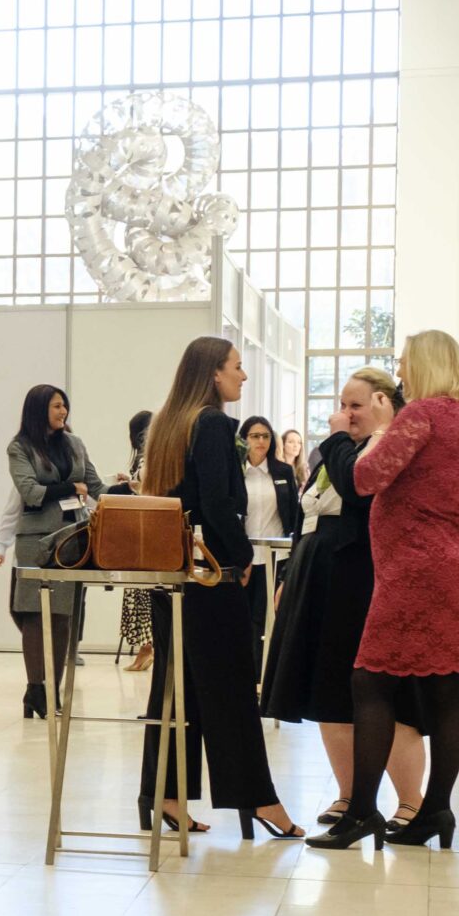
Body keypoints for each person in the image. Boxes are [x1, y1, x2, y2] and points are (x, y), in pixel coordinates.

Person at [311, 329, 459, 851]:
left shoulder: (420, 415)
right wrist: (455, 497)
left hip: (415, 566)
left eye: (404, 362)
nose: (400, 371)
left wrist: (340, 439)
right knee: (445, 687)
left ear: (425, 364)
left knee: (370, 681)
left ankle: (361, 812)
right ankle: (435, 811)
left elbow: (364, 479)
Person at [137, 337, 301, 841]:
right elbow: (216, 503)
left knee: (175, 688)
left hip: (174, 575)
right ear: (214, 373)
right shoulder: (209, 423)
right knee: (231, 690)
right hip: (210, 577)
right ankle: (258, 797)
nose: (243, 376)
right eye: (237, 366)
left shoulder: (169, 422)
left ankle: (163, 795)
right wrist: (242, 554)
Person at [262, 368, 429, 832]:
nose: (345, 414)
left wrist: (336, 440)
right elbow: (305, 517)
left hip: (366, 579)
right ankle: (350, 794)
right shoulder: (333, 452)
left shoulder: (388, 447)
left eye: (355, 405)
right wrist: (290, 573)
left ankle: (411, 800)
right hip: (319, 579)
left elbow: (358, 493)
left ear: (383, 403)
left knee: (384, 692)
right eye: (342, 404)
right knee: (329, 691)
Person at [4, 385, 104, 720]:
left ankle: (52, 691)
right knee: (34, 615)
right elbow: (30, 491)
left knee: (63, 618)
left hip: (71, 539)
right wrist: (70, 488)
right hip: (35, 541)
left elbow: (96, 487)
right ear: (39, 410)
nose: (64, 411)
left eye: (65, 406)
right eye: (57, 406)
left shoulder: (75, 443)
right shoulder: (19, 447)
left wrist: (127, 493)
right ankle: (36, 689)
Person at [236, 413, 303, 667]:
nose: (261, 441)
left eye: (265, 436)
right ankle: (245, 670)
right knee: (243, 616)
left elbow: (293, 515)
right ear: (244, 439)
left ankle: (263, 672)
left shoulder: (283, 471)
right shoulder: (236, 472)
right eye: (255, 436)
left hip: (275, 556)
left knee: (266, 616)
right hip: (243, 556)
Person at [116, 408, 156, 672]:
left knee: (143, 591)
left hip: (145, 530)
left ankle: (148, 647)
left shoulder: (149, 457)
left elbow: (148, 489)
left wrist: (132, 484)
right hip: (140, 529)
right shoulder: (146, 457)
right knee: (141, 591)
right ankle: (147, 646)